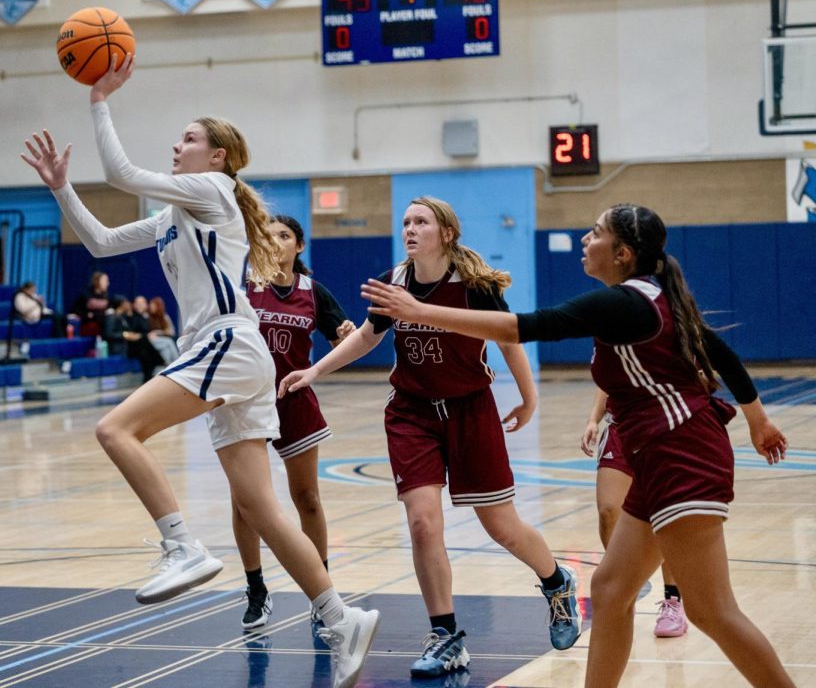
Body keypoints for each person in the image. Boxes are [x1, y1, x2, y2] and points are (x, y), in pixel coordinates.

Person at [20, 55, 379, 688]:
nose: (177, 146)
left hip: (225, 342)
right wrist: (60, 189)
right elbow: (102, 243)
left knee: (115, 431)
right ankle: (339, 615)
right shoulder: (176, 214)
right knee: (262, 510)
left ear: (218, 157)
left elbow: (121, 170)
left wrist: (98, 101)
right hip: (233, 355)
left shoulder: (212, 192)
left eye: (188, 139)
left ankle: (181, 544)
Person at [356, 203, 794, 688]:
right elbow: (720, 351)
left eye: (596, 233)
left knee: (713, 612)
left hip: (682, 453)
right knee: (608, 591)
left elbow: (518, 328)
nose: (586, 239)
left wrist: (418, 310)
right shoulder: (645, 298)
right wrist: (758, 421)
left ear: (622, 253)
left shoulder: (622, 303)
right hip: (654, 457)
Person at [280, 197, 581, 678]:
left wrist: (528, 398)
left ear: (446, 233)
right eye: (405, 222)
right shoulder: (396, 281)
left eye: (421, 222)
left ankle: (556, 581)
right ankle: (446, 635)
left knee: (500, 525)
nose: (410, 229)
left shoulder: (475, 286)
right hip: (411, 413)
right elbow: (368, 335)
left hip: (469, 410)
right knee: (422, 523)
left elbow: (508, 338)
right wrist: (313, 370)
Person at [236, 215, 355, 630]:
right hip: (247, 401)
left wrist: (344, 333)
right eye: (267, 236)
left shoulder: (313, 292)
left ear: (299, 245)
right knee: (246, 501)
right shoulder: (243, 289)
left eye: (284, 235)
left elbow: (344, 343)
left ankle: (320, 589)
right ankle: (256, 589)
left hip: (295, 402)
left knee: (307, 498)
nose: (275, 241)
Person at [581, 389, 687, 637]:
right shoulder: (612, 348)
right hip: (622, 429)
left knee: (664, 517)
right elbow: (605, 381)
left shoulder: (680, 349)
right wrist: (592, 420)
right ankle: (623, 591)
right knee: (608, 511)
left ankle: (673, 601)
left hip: (665, 430)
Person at [70, 271, 110, 337]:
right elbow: (77, 310)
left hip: (100, 323)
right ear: (97, 281)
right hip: (86, 324)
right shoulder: (86, 295)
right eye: (105, 281)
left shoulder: (105, 296)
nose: (108, 283)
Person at [145, 296, 181, 364]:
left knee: (166, 349)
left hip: (161, 340)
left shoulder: (164, 317)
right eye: (151, 305)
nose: (151, 307)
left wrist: (158, 332)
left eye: (153, 305)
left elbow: (171, 332)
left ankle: (168, 364)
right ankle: (177, 362)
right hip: (150, 340)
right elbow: (147, 333)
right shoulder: (147, 316)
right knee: (168, 342)